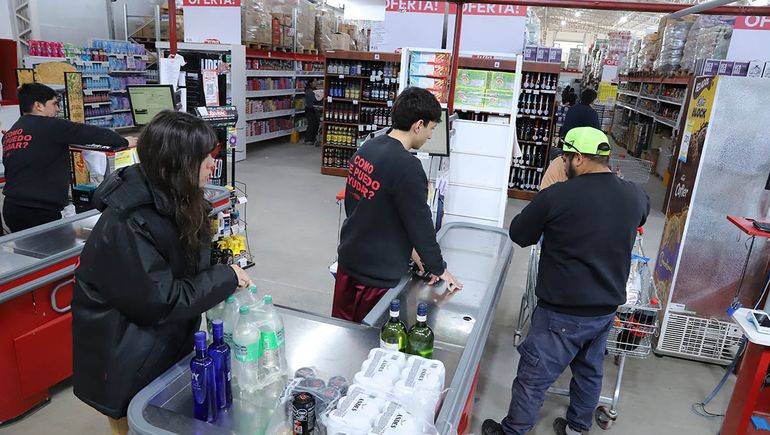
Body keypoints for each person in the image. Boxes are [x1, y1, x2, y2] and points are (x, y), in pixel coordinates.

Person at [71, 111, 252, 435]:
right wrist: (225, 278)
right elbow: (163, 301)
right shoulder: (128, 222)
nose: (213, 165)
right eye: (205, 157)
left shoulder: (178, 196)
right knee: (138, 425)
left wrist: (221, 267)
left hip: (161, 345)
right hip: (128, 356)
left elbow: (185, 263)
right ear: (178, 163)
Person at [483, 127, 649, 435]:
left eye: (565, 158)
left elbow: (519, 233)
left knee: (533, 377)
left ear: (579, 158)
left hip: (561, 312)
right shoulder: (634, 195)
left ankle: (514, 431)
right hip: (604, 311)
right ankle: (576, 428)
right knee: (589, 373)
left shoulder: (557, 196)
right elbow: (641, 216)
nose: (563, 163)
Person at [333, 86, 463, 322]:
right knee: (370, 339)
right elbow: (421, 226)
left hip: (349, 262)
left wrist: (413, 253)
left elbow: (364, 208)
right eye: (431, 128)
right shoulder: (407, 167)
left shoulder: (368, 147)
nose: (430, 136)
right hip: (376, 277)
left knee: (342, 331)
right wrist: (438, 267)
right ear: (418, 125)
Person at [1, 83, 131, 232]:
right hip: (40, 211)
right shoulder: (51, 125)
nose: (58, 109)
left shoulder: (12, 132)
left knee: (25, 247)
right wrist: (125, 141)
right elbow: (94, 134)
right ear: (38, 106)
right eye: (54, 103)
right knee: (54, 246)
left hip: (12, 208)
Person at [541, 89, 602, 190]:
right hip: (580, 149)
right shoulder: (591, 113)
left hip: (566, 145)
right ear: (592, 100)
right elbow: (597, 133)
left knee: (561, 171)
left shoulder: (573, 109)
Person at [304, 78, 322, 145]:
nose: (316, 82)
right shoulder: (308, 91)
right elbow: (315, 99)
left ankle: (312, 139)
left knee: (315, 124)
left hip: (314, 110)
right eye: (314, 81)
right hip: (310, 110)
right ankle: (308, 140)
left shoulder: (314, 90)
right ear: (310, 83)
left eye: (316, 81)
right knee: (311, 124)